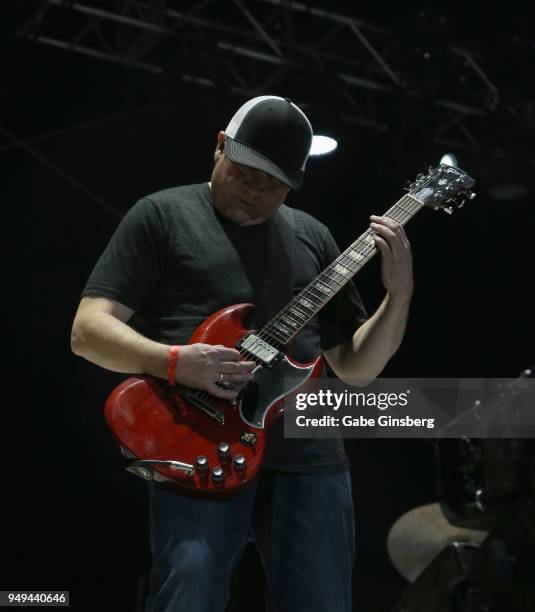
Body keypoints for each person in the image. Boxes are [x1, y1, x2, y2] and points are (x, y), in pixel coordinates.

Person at [71, 95, 413, 612]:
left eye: (272, 184)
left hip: (309, 456)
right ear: (219, 147)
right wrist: (173, 361)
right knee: (191, 597)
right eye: (243, 172)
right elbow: (88, 331)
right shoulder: (162, 214)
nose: (253, 193)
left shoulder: (313, 236)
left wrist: (399, 295)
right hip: (198, 446)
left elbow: (357, 368)